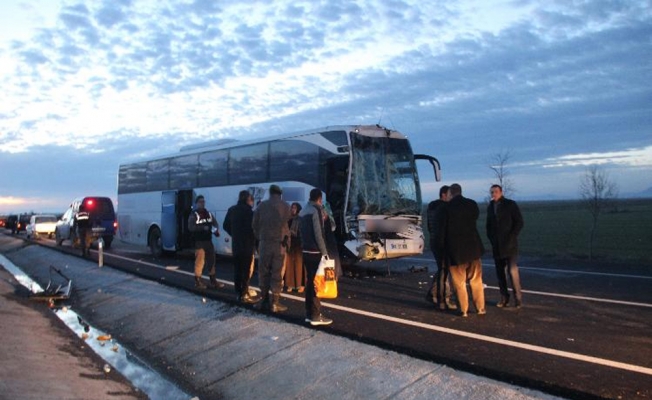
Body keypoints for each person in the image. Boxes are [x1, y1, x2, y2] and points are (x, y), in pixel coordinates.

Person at [438, 183, 485, 317]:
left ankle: (463, 309)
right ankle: (480, 307)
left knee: (459, 283)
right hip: (473, 248)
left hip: (455, 251)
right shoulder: (472, 204)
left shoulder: (446, 209)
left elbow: (442, 231)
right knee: (476, 280)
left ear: (450, 194)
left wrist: (442, 248)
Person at [252, 184, 291, 312]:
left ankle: (263, 300)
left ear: (270, 193)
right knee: (277, 273)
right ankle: (275, 302)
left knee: (263, 272)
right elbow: (288, 223)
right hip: (279, 245)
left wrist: (260, 237)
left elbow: (254, 225)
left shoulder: (261, 206)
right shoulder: (286, 206)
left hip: (264, 244)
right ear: (280, 193)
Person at [486, 184, 525, 308]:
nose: (493, 194)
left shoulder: (510, 204)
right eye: (492, 192)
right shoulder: (490, 206)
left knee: (512, 271)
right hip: (497, 245)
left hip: (510, 245)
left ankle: (518, 298)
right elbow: (489, 225)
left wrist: (512, 236)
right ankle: (504, 298)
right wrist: (492, 238)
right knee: (500, 273)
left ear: (501, 192)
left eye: (496, 192)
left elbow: (519, 221)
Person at [299, 188, 333, 326]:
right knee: (316, 284)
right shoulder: (316, 210)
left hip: (306, 251)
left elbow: (300, 232)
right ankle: (315, 315)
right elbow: (319, 234)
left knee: (309, 282)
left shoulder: (303, 211)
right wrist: (325, 252)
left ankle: (309, 313)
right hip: (315, 252)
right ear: (319, 199)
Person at [223, 190, 259, 304]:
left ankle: (238, 292)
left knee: (237, 270)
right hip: (247, 245)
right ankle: (244, 293)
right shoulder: (249, 212)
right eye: (251, 199)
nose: (252, 202)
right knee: (246, 271)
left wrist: (234, 234)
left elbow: (225, 225)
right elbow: (254, 229)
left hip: (236, 245)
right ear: (247, 199)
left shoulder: (232, 210)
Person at [425, 185, 457, 311]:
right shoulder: (444, 208)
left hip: (434, 241)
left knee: (442, 269)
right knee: (444, 270)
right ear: (444, 195)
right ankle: (443, 298)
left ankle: (433, 294)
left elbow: (429, 226)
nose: (450, 197)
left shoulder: (431, 207)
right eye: (449, 194)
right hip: (442, 242)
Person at [188, 195, 222, 290]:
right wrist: (203, 228)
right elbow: (191, 227)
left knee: (211, 260)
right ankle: (198, 281)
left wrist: (215, 230)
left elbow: (215, 224)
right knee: (200, 261)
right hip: (199, 241)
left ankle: (213, 280)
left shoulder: (209, 214)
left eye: (203, 201)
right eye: (200, 202)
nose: (202, 203)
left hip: (208, 240)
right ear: (196, 203)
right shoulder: (194, 215)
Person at [284, 202, 305, 293]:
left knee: (298, 265)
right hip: (289, 243)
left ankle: (300, 285)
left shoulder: (300, 219)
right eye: (292, 207)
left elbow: (301, 232)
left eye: (295, 208)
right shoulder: (287, 218)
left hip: (298, 244)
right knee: (289, 265)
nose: (293, 209)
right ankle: (289, 284)